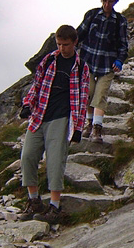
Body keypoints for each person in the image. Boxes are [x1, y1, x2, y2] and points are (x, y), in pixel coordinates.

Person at [17, 24, 90, 224]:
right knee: (28, 156)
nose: (62, 48)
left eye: (65, 44)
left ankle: (55, 207)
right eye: (59, 44)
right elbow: (37, 84)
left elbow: (82, 98)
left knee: (55, 160)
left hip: (61, 118)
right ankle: (34, 201)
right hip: (39, 115)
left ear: (75, 43)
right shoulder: (49, 60)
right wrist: (27, 105)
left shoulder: (81, 67)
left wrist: (77, 128)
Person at [77, 0, 129, 143]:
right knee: (87, 93)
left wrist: (120, 60)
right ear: (101, 0)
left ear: (115, 2)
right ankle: (89, 123)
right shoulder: (92, 15)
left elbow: (123, 44)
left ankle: (97, 128)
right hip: (88, 62)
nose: (107, 4)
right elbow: (80, 33)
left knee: (100, 95)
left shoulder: (120, 21)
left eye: (110, 2)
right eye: (104, 1)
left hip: (107, 65)